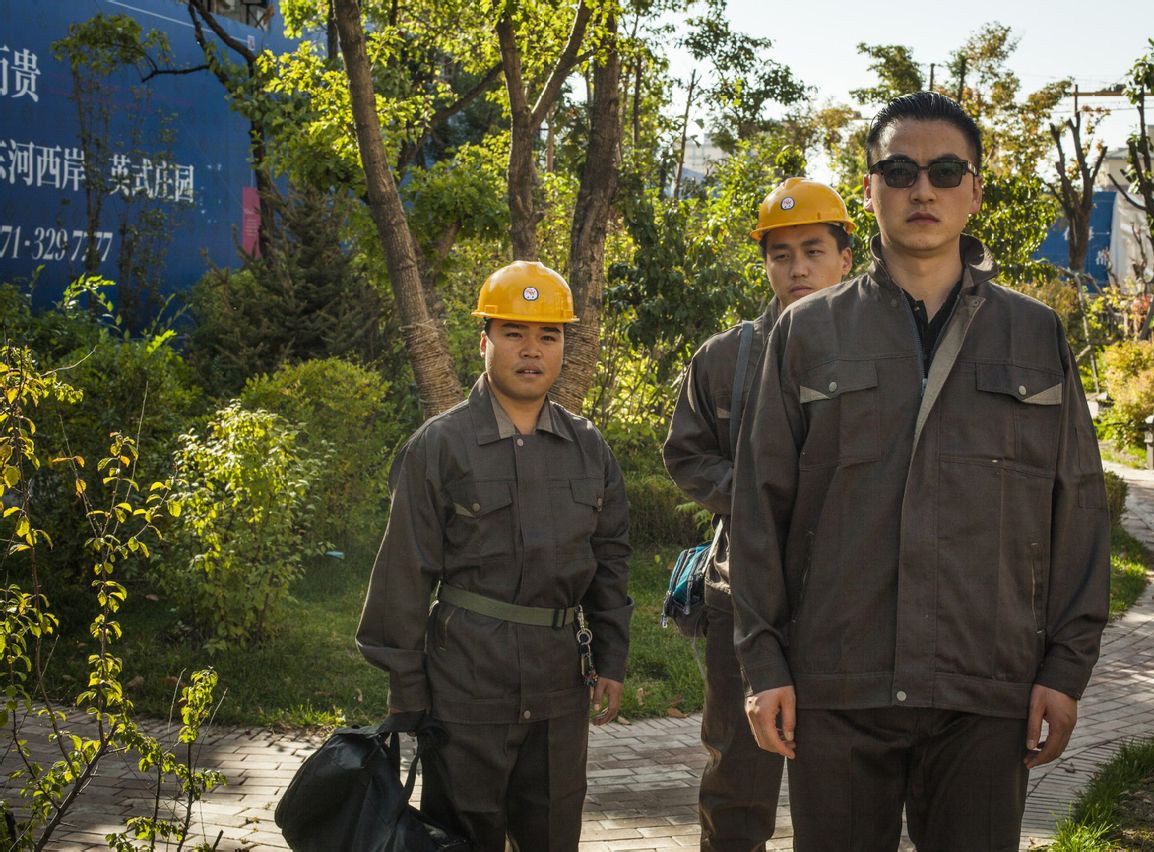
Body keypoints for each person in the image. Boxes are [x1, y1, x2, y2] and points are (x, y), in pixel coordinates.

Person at [730, 92, 1110, 851]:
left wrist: (1064, 671)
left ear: (975, 191)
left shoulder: (1033, 334)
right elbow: (760, 508)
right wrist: (764, 663)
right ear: (870, 189)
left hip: (986, 687)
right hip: (838, 685)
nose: (923, 189)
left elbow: (1078, 510)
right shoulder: (809, 332)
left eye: (945, 171)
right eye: (900, 171)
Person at [356, 260, 633, 852]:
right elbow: (404, 574)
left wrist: (611, 657)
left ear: (564, 347)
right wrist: (407, 690)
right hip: (467, 684)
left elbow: (610, 561)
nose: (532, 350)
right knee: (464, 836)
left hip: (559, 685)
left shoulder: (588, 448)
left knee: (553, 832)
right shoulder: (440, 445)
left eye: (548, 335)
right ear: (484, 342)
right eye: (514, 333)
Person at [664, 177, 855, 850]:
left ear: (845, 259)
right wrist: (758, 498)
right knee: (737, 776)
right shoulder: (726, 358)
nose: (797, 267)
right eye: (781, 254)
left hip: (850, 603)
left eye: (813, 250)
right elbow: (686, 454)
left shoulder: (880, 356)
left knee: (843, 783)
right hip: (741, 596)